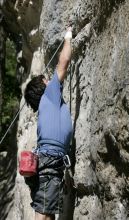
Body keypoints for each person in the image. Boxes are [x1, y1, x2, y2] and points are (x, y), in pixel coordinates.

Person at [24, 27, 73, 220]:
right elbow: (64, 62)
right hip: (51, 162)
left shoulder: (47, 104)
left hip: (49, 162)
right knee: (43, 215)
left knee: (48, 213)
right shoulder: (50, 94)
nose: (50, 80)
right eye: (47, 79)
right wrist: (68, 35)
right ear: (45, 85)